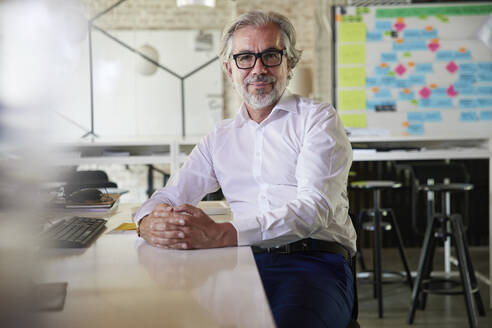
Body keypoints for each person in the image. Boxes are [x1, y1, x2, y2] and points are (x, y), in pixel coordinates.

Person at [134, 10, 356, 328]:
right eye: (245, 58)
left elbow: (313, 210)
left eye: (270, 56)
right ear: (230, 69)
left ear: (289, 63)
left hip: (313, 261)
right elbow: (169, 195)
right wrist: (147, 222)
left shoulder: (317, 120)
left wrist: (224, 233)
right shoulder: (219, 138)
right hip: (237, 261)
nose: (258, 69)